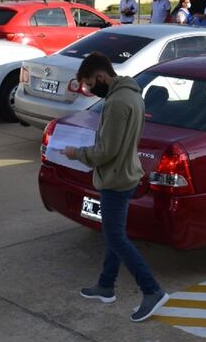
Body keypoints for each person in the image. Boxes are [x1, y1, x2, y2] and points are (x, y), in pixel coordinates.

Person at [62, 52, 169, 322]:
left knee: (116, 238)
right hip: (126, 173)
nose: (89, 90)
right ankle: (106, 285)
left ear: (101, 77)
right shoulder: (131, 93)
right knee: (113, 233)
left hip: (116, 179)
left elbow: (106, 151)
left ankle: (152, 290)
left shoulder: (118, 102)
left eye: (89, 84)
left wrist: (77, 153)